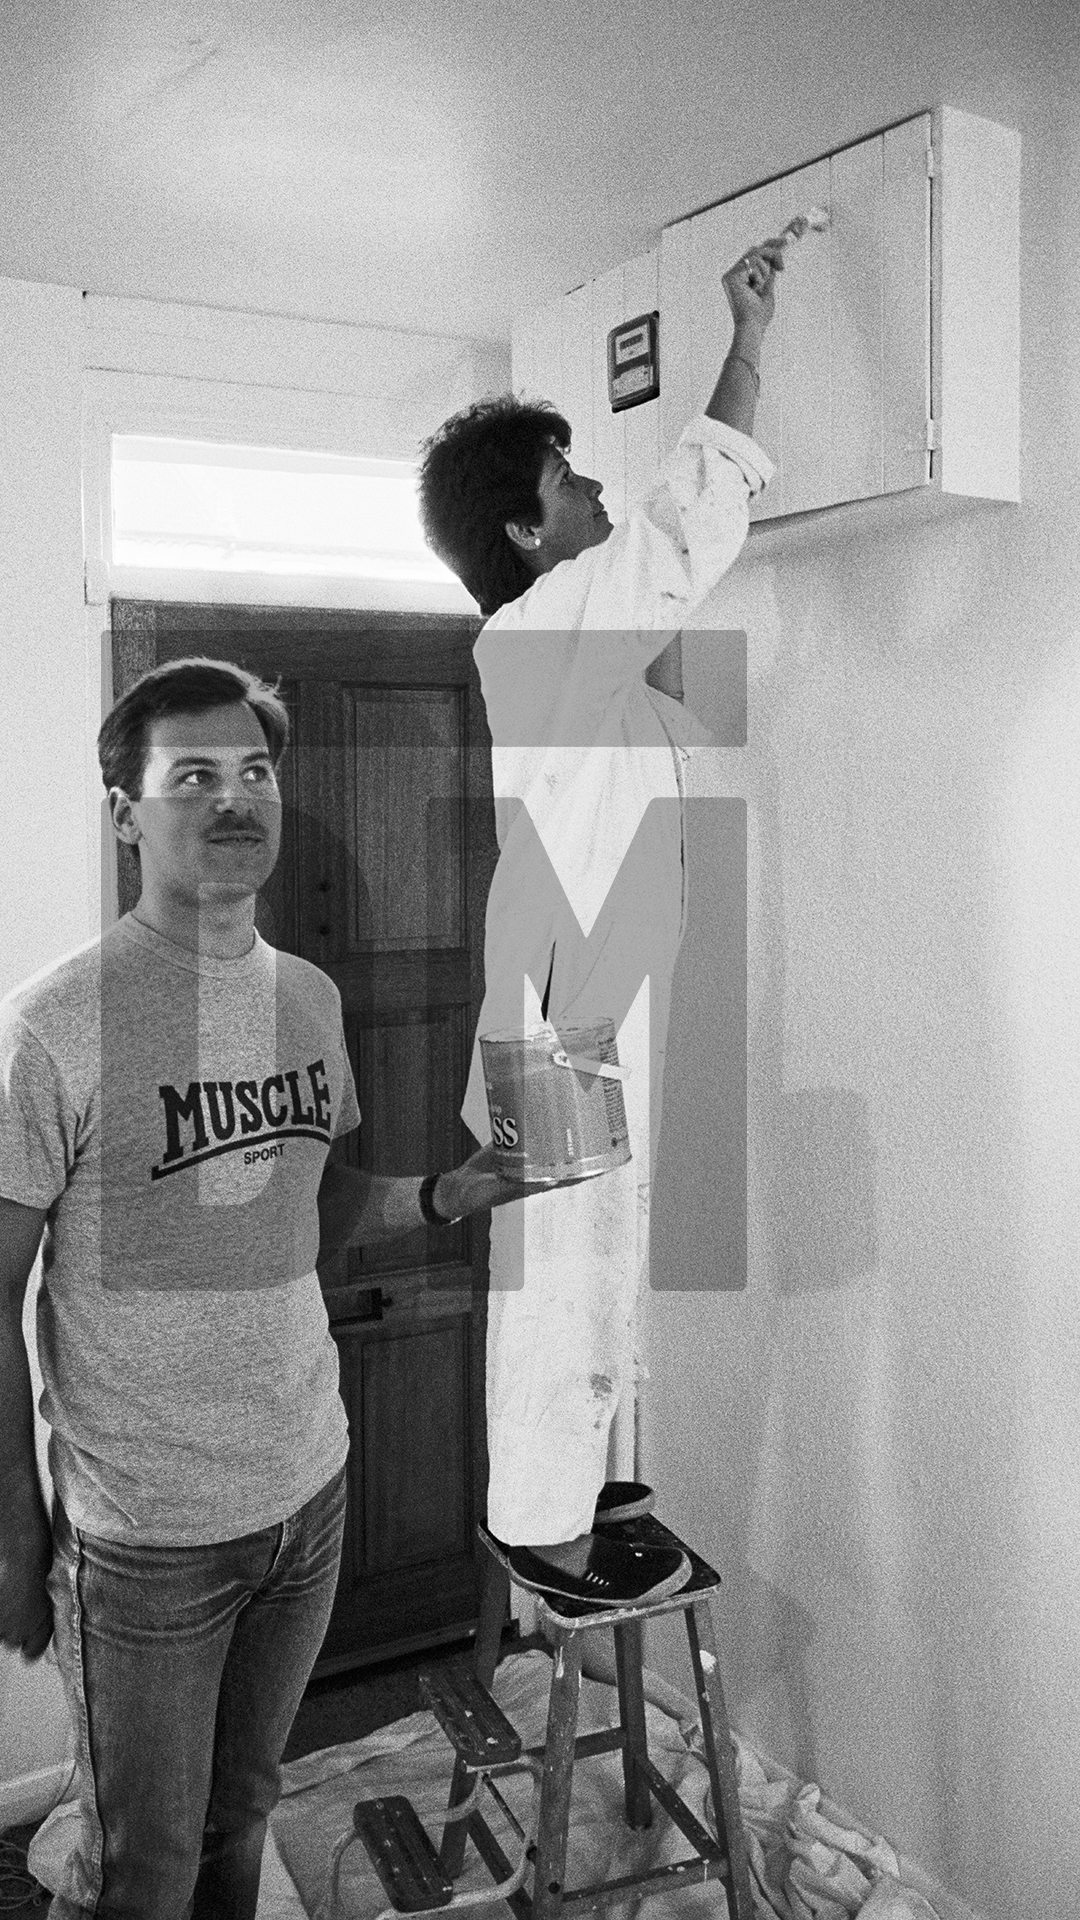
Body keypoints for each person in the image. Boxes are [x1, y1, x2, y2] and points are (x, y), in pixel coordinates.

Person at [0, 656, 599, 1920]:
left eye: (255, 772)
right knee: (138, 1864)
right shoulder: (47, 1028)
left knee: (244, 1813)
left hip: (308, 1493)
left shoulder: (307, 996)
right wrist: (14, 1545)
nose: (235, 798)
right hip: (144, 1537)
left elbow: (317, 1194)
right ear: (125, 810)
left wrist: (454, 1192)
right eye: (193, 774)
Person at [417, 238, 784, 1558]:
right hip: (568, 993)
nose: (590, 493)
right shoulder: (547, 626)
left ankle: (567, 1498)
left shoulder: (558, 641)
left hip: (572, 982)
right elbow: (689, 520)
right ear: (530, 532)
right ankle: (539, 1527)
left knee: (584, 1249)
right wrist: (747, 340)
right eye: (568, 481)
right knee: (564, 1270)